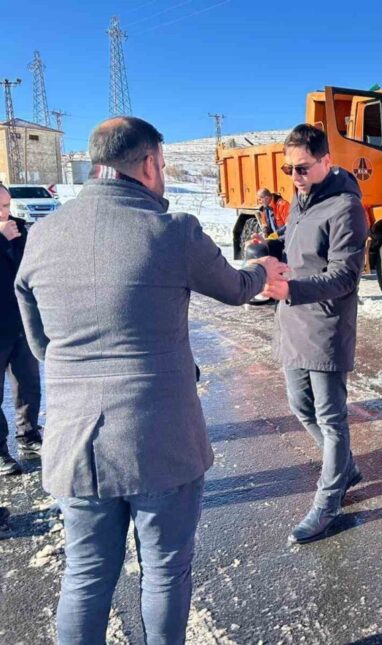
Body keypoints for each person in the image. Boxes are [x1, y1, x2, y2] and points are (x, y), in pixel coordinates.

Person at [15, 116, 288, 644]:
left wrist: (77, 373)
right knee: (165, 572)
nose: (162, 175)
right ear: (147, 164)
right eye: (162, 165)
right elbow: (235, 288)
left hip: (77, 444)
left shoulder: (42, 236)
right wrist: (266, 271)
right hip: (161, 438)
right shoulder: (173, 231)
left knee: (86, 576)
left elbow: (40, 343)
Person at [261, 124, 368, 544]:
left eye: (302, 168)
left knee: (330, 415)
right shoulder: (300, 199)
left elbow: (345, 275)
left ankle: (329, 498)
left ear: (326, 160)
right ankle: (345, 467)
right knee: (299, 406)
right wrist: (268, 252)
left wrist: (293, 289)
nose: (294, 177)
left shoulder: (346, 208)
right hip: (293, 319)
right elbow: (299, 251)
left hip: (325, 322)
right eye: (289, 169)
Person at [0, 183, 43, 476]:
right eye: (1, 207)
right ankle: (1, 453)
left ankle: (28, 437)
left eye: (7, 205)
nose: (7, 213)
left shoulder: (18, 231)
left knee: (27, 384)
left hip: (19, 323)